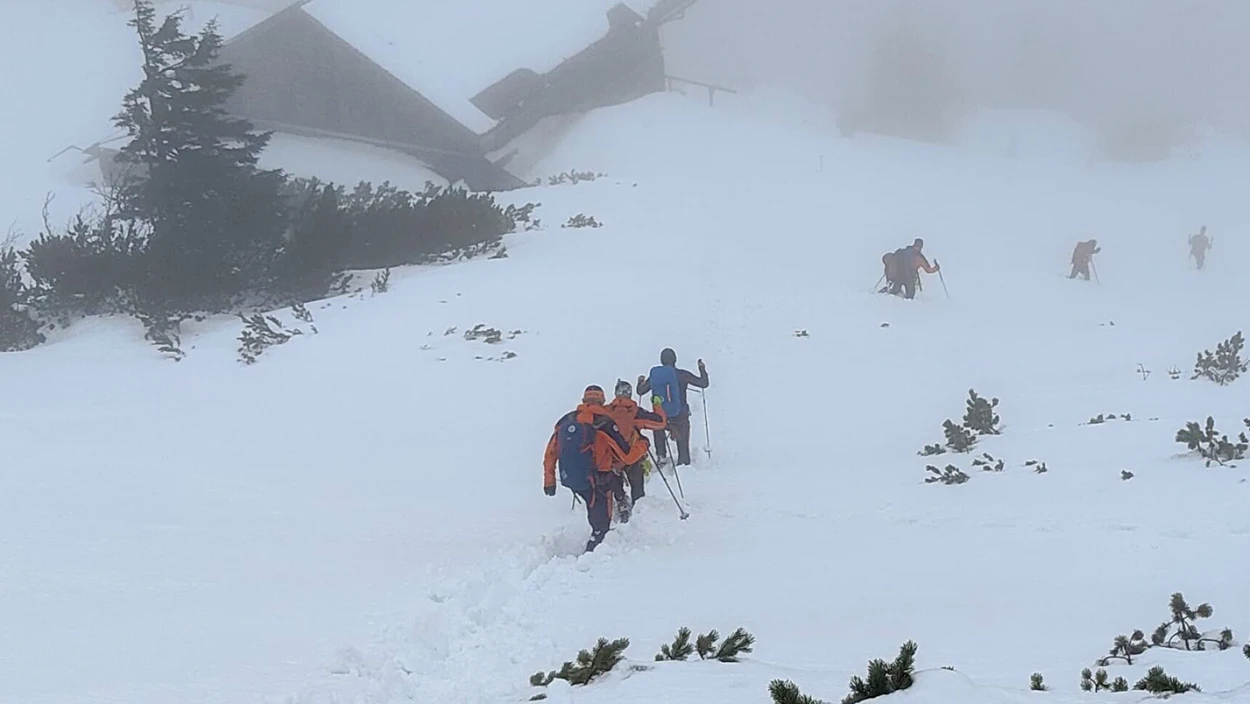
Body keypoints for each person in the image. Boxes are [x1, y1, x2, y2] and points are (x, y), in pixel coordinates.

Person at [543, 385, 631, 552]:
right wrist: (642, 445)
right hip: (600, 479)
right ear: (602, 400)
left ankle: (595, 540)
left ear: (584, 400)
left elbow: (551, 452)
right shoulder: (605, 422)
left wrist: (549, 481)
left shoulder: (566, 421)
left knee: (593, 508)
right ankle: (594, 553)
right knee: (601, 520)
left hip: (573, 478)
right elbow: (625, 454)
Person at [604, 379, 668, 516]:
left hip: (611, 458)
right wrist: (657, 404)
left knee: (614, 479)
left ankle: (621, 500)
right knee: (637, 485)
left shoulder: (605, 412)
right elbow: (660, 423)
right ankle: (638, 508)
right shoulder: (635, 411)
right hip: (632, 454)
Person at [637, 348, 709, 467]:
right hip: (680, 416)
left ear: (661, 361)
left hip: (661, 417)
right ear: (675, 360)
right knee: (683, 449)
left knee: (657, 423)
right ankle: (683, 461)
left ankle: (661, 455)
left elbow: (640, 391)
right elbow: (703, 383)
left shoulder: (656, 376)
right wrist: (702, 368)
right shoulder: (682, 375)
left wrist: (640, 381)